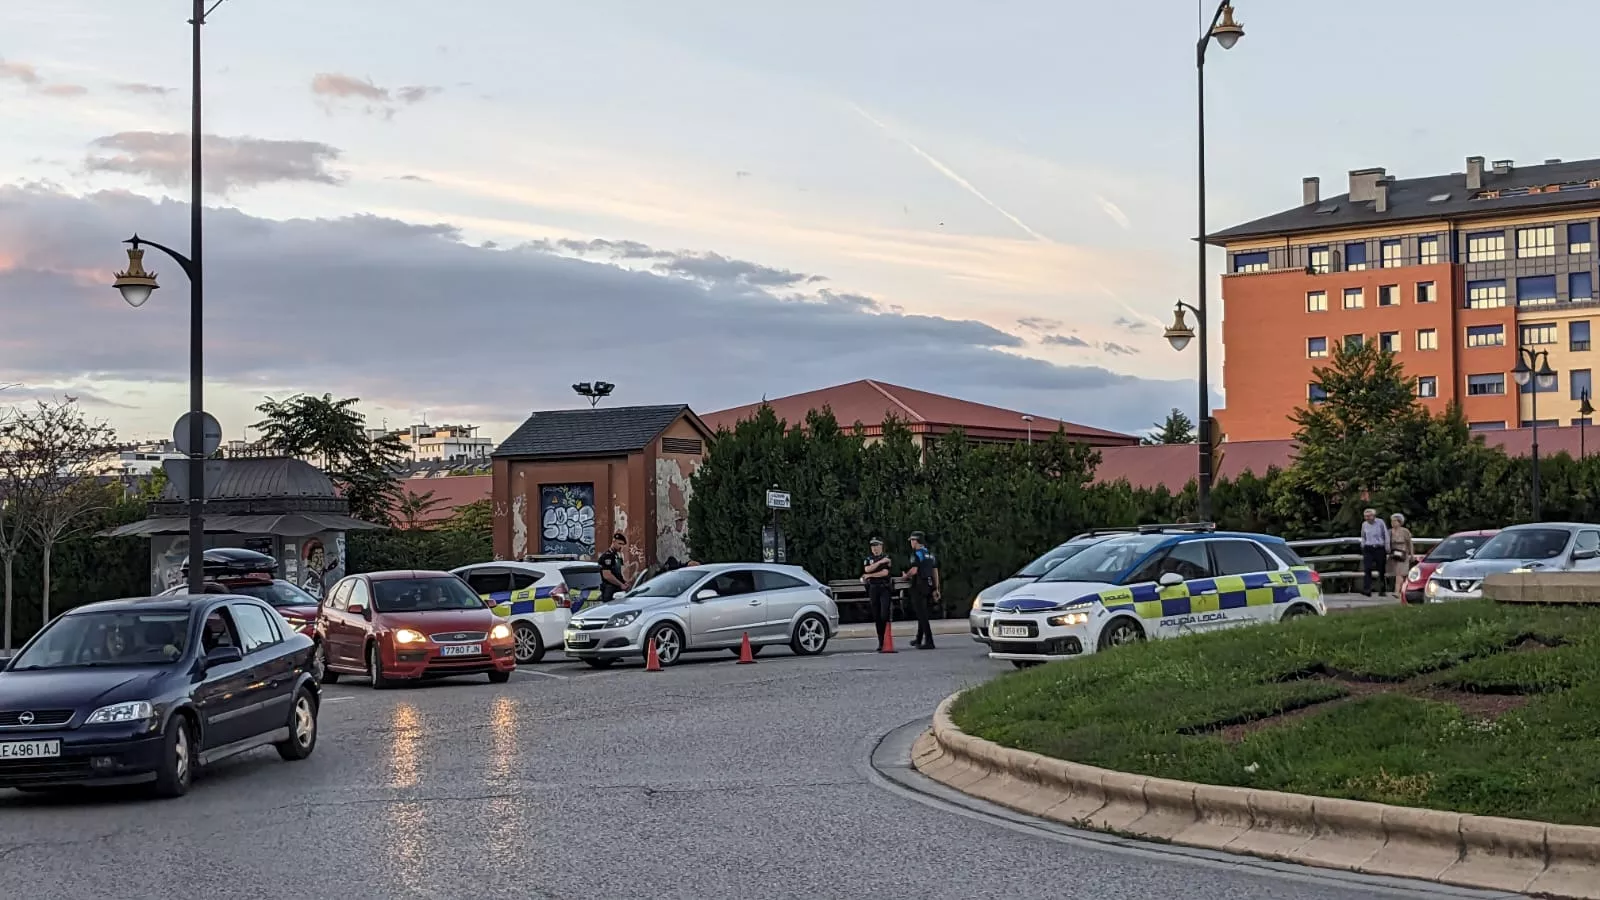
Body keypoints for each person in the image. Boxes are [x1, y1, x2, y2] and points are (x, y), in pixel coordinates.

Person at [902, 532, 941, 649]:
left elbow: (914, 570)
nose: (911, 543)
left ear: (916, 541)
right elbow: (935, 572)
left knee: (922, 614)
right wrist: (936, 588)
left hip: (919, 585)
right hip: (929, 585)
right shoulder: (930, 554)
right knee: (923, 612)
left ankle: (929, 641)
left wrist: (906, 576)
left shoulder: (917, 554)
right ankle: (918, 639)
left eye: (912, 540)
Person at [862, 537, 893, 652]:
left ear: (881, 546)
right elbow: (867, 569)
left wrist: (870, 575)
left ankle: (886, 639)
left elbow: (885, 573)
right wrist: (879, 563)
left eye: (876, 546)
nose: (874, 548)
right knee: (876, 616)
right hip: (873, 589)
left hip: (884, 588)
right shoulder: (869, 559)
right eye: (873, 546)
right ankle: (881, 642)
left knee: (884, 614)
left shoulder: (886, 557)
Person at [1359, 508, 1390, 597]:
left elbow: (1386, 534)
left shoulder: (1380, 522)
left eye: (1369, 516)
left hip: (1379, 547)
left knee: (1381, 569)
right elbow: (1363, 536)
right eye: (1365, 516)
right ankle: (1367, 589)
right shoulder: (1364, 524)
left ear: (1373, 516)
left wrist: (1387, 546)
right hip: (1368, 548)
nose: (1367, 518)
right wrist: (1363, 545)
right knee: (1367, 568)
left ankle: (1382, 589)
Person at [1388, 513, 1415, 600]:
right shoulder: (1390, 531)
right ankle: (1401, 590)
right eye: (1392, 521)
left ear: (1399, 522)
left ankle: (1397, 591)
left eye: (1394, 521)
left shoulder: (1405, 531)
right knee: (1397, 573)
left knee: (1400, 573)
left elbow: (1409, 543)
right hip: (1393, 554)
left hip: (1403, 554)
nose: (1392, 523)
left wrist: (1412, 554)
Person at [597, 532, 629, 602]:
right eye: (619, 543)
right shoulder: (607, 556)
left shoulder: (617, 556)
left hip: (617, 588)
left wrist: (623, 582)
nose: (621, 546)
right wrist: (621, 584)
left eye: (623, 545)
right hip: (609, 588)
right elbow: (607, 575)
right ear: (613, 542)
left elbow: (618, 573)